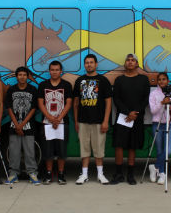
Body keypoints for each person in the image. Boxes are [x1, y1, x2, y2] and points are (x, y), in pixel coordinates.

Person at [110, 54, 151, 185]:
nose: (130, 62)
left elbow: (146, 99)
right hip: (122, 117)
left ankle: (131, 175)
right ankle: (118, 174)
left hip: (137, 118)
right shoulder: (119, 80)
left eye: (133, 60)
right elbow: (116, 99)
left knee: (132, 146)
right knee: (119, 145)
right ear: (125, 64)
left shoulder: (144, 79)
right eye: (128, 60)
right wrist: (128, 113)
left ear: (137, 64)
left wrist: (135, 113)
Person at [73, 54, 112, 185]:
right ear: (84, 65)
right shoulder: (79, 81)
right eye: (87, 62)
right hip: (83, 120)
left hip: (99, 121)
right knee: (84, 149)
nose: (89, 64)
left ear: (96, 64)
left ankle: (100, 174)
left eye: (91, 62)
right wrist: (76, 121)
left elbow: (108, 102)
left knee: (98, 148)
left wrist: (106, 121)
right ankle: (84, 174)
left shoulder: (103, 80)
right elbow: (76, 103)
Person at [37, 60, 72, 185]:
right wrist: (51, 118)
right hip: (47, 122)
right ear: (49, 71)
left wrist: (58, 118)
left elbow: (68, 103)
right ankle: (48, 173)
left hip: (62, 122)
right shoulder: (43, 85)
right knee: (48, 150)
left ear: (61, 71)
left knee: (62, 150)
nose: (55, 72)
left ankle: (61, 174)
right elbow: (40, 103)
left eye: (57, 70)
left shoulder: (67, 85)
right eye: (52, 69)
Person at [5, 66, 39, 185]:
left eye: (24, 75)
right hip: (14, 125)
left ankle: (32, 173)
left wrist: (23, 124)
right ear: (16, 76)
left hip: (29, 126)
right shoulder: (11, 90)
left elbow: (34, 108)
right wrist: (16, 124)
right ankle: (13, 173)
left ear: (28, 76)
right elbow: (9, 108)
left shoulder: (33, 89)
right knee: (14, 151)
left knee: (30, 151)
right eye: (20, 75)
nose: (22, 77)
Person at [149, 72, 171, 185]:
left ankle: (155, 167)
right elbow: (152, 111)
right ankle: (162, 173)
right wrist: (162, 103)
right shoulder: (153, 94)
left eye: (164, 79)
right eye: (160, 79)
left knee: (168, 150)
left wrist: (169, 108)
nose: (162, 81)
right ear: (157, 81)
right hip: (157, 124)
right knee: (160, 150)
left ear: (168, 81)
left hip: (169, 123)